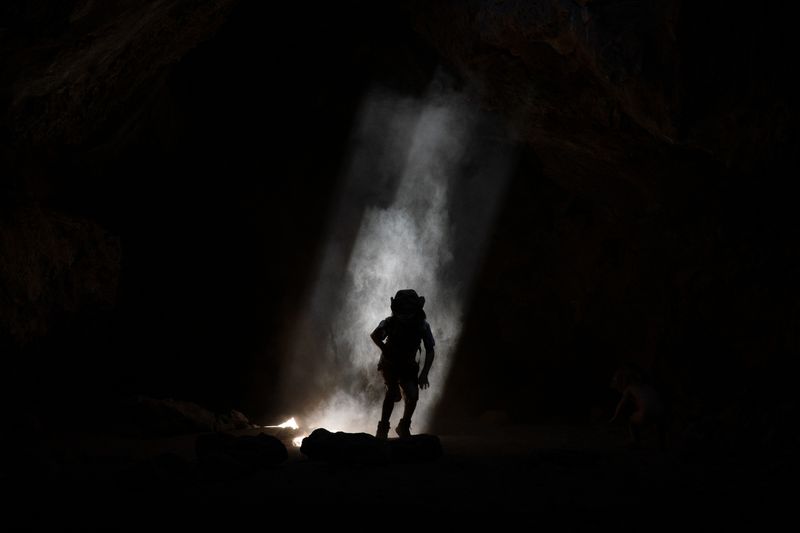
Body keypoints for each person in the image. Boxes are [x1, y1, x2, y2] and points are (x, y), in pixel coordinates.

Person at [370, 289, 435, 439]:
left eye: (409, 309)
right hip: (390, 364)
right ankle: (383, 428)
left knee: (412, 395)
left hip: (409, 366)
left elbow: (430, 350)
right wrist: (385, 349)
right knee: (393, 394)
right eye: (402, 309)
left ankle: (404, 426)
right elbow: (375, 335)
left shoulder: (422, 326)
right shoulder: (389, 322)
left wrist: (424, 373)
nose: (406, 313)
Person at [609, 364, 667, 450]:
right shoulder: (648, 387)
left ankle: (636, 442)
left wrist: (614, 417)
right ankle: (662, 443)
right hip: (661, 411)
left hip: (647, 412)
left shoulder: (630, 388)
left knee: (631, 421)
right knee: (659, 422)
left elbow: (621, 404)